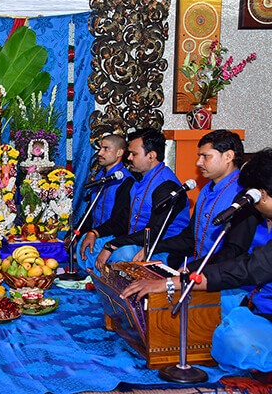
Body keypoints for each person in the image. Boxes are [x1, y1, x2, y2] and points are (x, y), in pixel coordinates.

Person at [121, 148, 272, 380]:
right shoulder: (242, 210)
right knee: (199, 315)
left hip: (259, 304)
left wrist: (176, 282)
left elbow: (250, 267)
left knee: (232, 340)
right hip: (253, 300)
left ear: (261, 193)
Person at [132, 130, 253, 269]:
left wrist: (193, 268)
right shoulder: (206, 190)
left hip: (225, 278)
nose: (198, 162)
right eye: (199, 156)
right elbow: (189, 238)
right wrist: (152, 248)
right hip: (196, 265)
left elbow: (234, 251)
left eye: (205, 157)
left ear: (228, 156)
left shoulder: (244, 195)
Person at [90, 129, 191, 273]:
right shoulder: (139, 179)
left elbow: (153, 231)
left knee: (121, 255)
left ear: (151, 156)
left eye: (134, 154)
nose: (129, 158)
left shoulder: (167, 186)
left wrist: (113, 245)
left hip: (162, 249)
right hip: (135, 242)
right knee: (92, 248)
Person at [76, 134, 133, 266]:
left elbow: (120, 222)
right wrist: (77, 234)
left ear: (119, 152)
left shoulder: (127, 181)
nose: (100, 153)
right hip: (95, 235)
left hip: (112, 238)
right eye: (100, 148)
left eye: (106, 149)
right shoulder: (101, 175)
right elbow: (91, 210)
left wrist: (95, 233)